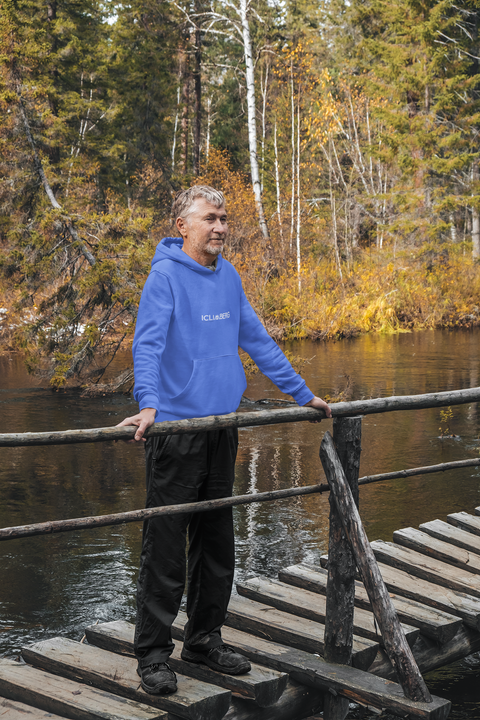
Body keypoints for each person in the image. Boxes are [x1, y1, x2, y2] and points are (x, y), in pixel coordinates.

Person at [118, 185, 331, 696]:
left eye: (224, 218)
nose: (219, 227)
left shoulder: (229, 276)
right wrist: (148, 404)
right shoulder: (164, 277)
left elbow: (257, 340)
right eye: (209, 218)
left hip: (221, 429)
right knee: (165, 549)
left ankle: (203, 641)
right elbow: (146, 345)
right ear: (182, 226)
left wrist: (303, 394)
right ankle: (152, 656)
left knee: (217, 543)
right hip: (176, 432)